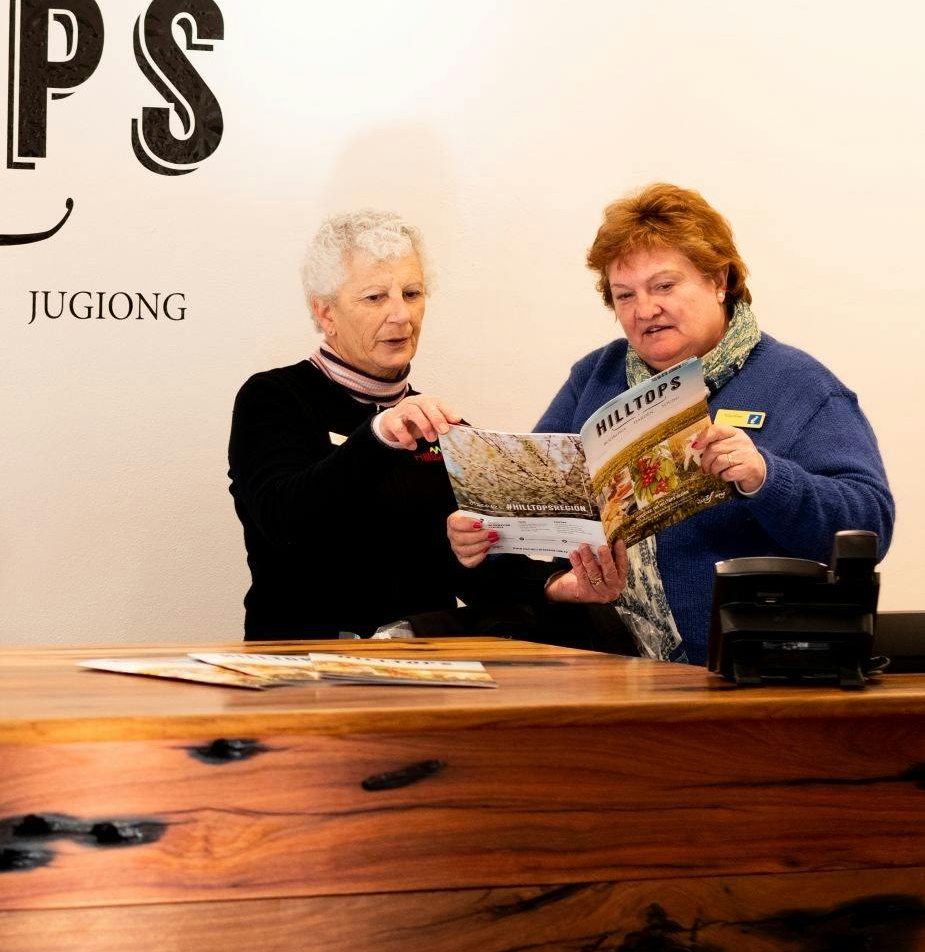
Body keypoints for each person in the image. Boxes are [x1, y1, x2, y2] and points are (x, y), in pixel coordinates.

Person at [448, 183, 895, 662]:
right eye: (625, 295)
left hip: (739, 670)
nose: (645, 310)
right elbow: (535, 509)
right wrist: (483, 532)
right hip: (599, 659)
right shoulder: (595, 377)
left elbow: (871, 524)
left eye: (664, 286)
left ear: (719, 279)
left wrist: (766, 478)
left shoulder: (799, 384)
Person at [227, 209, 481, 640]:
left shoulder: (441, 425)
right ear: (325, 312)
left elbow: (472, 576)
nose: (402, 315)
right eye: (375, 297)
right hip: (302, 674)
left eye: (412, 293)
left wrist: (558, 586)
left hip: (426, 671)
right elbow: (285, 525)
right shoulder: (274, 398)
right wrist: (379, 435)